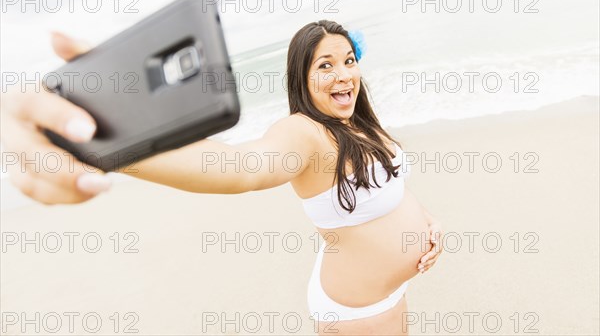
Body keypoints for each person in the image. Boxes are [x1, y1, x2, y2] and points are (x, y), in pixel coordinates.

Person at [1, 20, 443, 335]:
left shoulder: (359, 122)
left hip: (393, 289)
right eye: (325, 65)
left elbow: (390, 184)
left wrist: (426, 221)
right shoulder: (304, 133)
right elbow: (236, 170)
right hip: (356, 309)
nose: (343, 73)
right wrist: (110, 142)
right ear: (302, 77)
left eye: (348, 60)